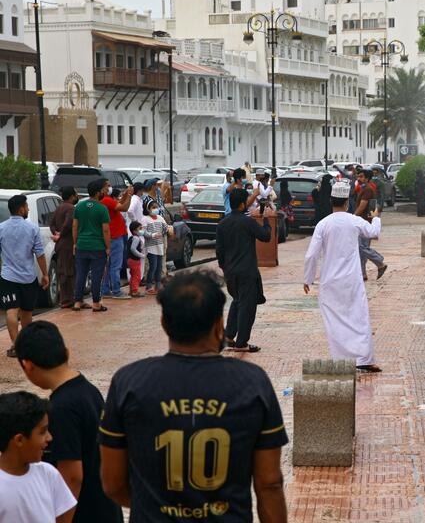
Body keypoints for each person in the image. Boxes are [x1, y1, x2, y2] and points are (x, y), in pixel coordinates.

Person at [99, 271, 288, 522]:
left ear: (164, 323)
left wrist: (153, 505)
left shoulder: (129, 383)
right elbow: (269, 483)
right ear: (219, 324)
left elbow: (113, 483)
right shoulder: (252, 383)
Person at [15, 322, 123, 523]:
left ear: (27, 365)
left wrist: (60, 520)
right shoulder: (88, 390)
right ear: (66, 352)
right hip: (105, 507)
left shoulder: (61, 408)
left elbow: (72, 476)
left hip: (84, 514)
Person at [303, 181, 383, 372]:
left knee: (334, 322)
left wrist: (308, 278)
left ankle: (342, 360)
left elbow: (311, 255)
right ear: (347, 202)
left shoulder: (323, 224)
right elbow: (374, 232)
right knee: (359, 318)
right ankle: (364, 359)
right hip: (352, 280)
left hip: (330, 282)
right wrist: (376, 218)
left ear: (331, 201)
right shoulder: (354, 221)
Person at [0, 391, 77, 522]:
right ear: (19, 440)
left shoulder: (48, 474)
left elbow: (64, 516)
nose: (49, 437)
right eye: (42, 432)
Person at [216, 189, 270, 352]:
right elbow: (265, 236)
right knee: (247, 307)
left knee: (237, 301)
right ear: (241, 204)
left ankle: (228, 336)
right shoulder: (248, 222)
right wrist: (266, 219)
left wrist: (225, 268)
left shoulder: (222, 223)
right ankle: (241, 343)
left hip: (230, 272)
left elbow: (219, 250)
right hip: (247, 271)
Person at [0, 195, 48, 357]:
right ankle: (25, 345)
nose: (28, 209)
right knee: (27, 312)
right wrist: (45, 274)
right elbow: (40, 254)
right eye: (27, 206)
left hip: (8, 277)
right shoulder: (32, 228)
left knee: (11, 310)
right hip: (28, 277)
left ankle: (15, 345)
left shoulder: (1, 228)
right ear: (21, 209)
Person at [72, 179, 110, 313]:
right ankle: (96, 303)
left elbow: (75, 226)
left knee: (81, 274)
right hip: (97, 246)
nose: (104, 192)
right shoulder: (102, 208)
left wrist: (75, 243)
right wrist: (108, 246)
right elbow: (106, 230)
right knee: (97, 275)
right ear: (98, 192)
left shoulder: (79, 207)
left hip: (81, 244)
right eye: (103, 190)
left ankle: (77, 301)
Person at [100, 182, 132, 300]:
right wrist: (129, 196)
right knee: (115, 265)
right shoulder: (107, 200)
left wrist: (125, 195)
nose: (110, 187)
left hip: (114, 235)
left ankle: (106, 290)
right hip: (115, 236)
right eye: (107, 185)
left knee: (109, 265)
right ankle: (116, 290)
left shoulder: (106, 200)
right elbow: (123, 207)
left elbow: (119, 203)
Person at [354, 169, 387, 281]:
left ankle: (379, 262)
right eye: (358, 176)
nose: (359, 178)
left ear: (367, 178)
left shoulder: (368, 189)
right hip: (363, 221)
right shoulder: (363, 188)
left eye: (361, 176)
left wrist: (353, 217)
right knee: (361, 250)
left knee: (361, 247)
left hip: (364, 222)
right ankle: (362, 274)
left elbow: (363, 205)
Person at [50, 187, 78, 309]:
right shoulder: (71, 208)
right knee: (69, 272)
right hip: (67, 244)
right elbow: (68, 223)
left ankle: (65, 298)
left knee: (62, 271)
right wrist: (61, 234)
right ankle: (68, 299)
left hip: (60, 245)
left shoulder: (59, 207)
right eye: (75, 194)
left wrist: (56, 233)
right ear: (71, 196)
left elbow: (51, 224)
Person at [142, 200, 171, 295]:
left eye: (156, 207)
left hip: (160, 246)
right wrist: (152, 235)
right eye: (153, 207)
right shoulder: (145, 219)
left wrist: (168, 229)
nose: (156, 209)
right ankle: (149, 286)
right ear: (148, 209)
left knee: (159, 267)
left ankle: (158, 285)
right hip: (151, 247)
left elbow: (165, 228)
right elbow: (143, 232)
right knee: (153, 266)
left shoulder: (160, 218)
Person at [127, 221, 145, 298]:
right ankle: (134, 291)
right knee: (137, 276)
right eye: (139, 229)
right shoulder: (136, 239)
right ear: (134, 231)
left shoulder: (131, 238)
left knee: (133, 275)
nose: (141, 230)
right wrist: (142, 255)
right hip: (134, 260)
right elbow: (133, 249)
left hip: (130, 259)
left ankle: (131, 290)